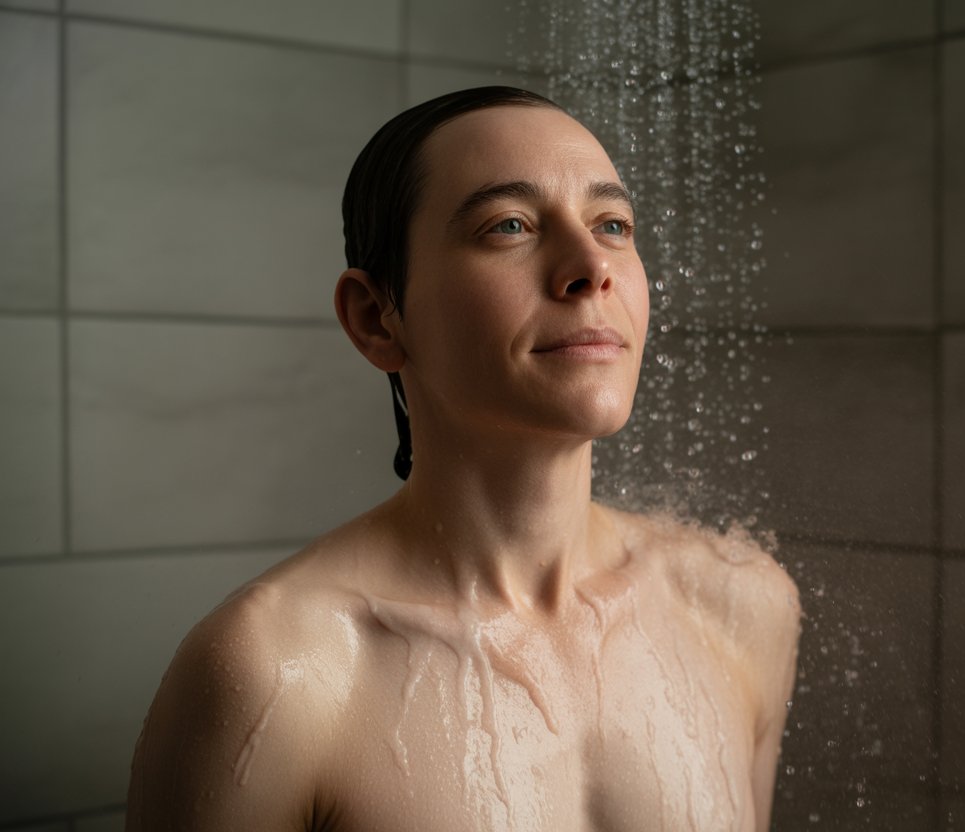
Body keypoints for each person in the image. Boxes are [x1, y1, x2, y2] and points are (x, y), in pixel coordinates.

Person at [126, 86, 800, 831]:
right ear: (377, 319)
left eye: (613, 224)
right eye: (508, 226)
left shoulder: (738, 604)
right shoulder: (277, 672)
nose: (590, 266)